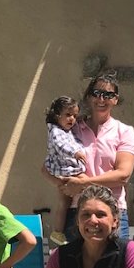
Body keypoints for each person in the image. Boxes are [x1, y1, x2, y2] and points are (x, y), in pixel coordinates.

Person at [43, 72, 134, 242]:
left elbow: (123, 175)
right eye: (96, 93)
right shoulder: (71, 128)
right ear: (88, 96)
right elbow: (46, 168)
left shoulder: (124, 131)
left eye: (108, 95)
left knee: (113, 266)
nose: (101, 99)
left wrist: (83, 183)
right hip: (78, 211)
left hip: (112, 210)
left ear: (115, 99)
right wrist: (65, 185)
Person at [43, 95, 88, 248]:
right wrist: (75, 153)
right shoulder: (56, 132)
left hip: (65, 168)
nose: (72, 119)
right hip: (64, 170)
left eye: (75, 116)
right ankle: (57, 231)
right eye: (68, 115)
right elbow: (62, 146)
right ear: (57, 115)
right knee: (85, 183)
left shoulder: (64, 129)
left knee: (65, 202)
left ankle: (58, 231)